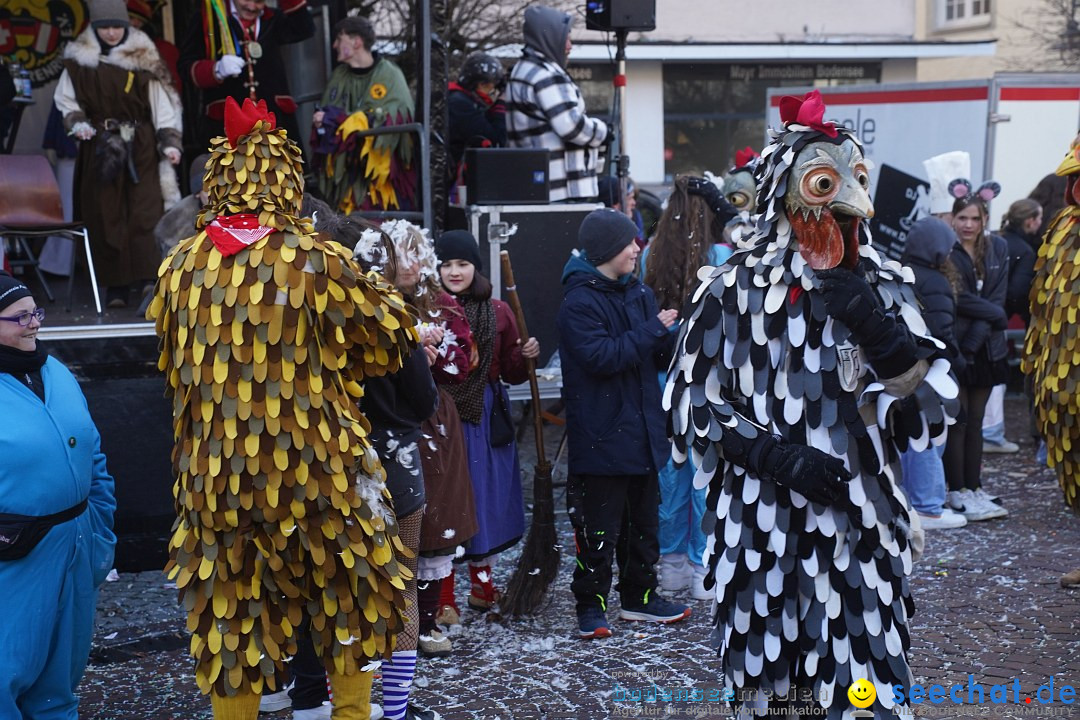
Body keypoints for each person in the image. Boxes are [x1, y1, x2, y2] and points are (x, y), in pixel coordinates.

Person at [667, 90, 958, 717]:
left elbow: (928, 413)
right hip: (759, 528)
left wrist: (878, 330)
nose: (851, 201)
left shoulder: (884, 286)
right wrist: (772, 455)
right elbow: (691, 403)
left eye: (855, 179)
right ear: (784, 193)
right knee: (775, 682)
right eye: (827, 182)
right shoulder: (732, 291)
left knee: (863, 679)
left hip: (859, 528)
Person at [147, 97, 418, 720]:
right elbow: (390, 340)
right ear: (288, 182)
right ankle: (351, 713)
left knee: (232, 618)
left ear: (218, 180)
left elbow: (170, 367)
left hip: (217, 482)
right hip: (315, 474)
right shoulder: (317, 259)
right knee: (352, 594)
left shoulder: (180, 268)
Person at [558, 208, 691, 639]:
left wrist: (681, 337)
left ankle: (640, 598)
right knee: (598, 531)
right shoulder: (578, 302)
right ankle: (590, 607)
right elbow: (603, 357)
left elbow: (654, 354)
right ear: (606, 250)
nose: (638, 248)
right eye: (630, 242)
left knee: (643, 527)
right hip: (600, 440)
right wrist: (653, 331)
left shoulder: (639, 293)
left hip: (643, 435)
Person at [0, 271, 117, 718]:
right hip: (13, 557)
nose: (34, 324)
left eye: (36, 313)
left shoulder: (56, 371)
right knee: (5, 670)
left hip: (74, 543)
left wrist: (100, 530)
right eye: (19, 317)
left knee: (60, 681)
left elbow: (94, 454)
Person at [362, 222, 478, 657]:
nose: (411, 264)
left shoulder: (440, 304)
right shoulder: (374, 306)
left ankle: (426, 619)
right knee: (400, 532)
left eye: (416, 253)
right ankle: (396, 628)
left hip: (433, 424)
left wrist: (435, 356)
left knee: (436, 523)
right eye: (402, 254)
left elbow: (460, 366)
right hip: (394, 425)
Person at [434, 230, 538, 612]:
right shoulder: (429, 309)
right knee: (446, 501)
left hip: (487, 415)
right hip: (442, 415)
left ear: (475, 266)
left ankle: (482, 585)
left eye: (462, 263)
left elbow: (512, 373)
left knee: (486, 499)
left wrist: (526, 355)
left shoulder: (498, 310)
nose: (454, 271)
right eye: (446, 264)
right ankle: (443, 597)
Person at [54, 0, 182, 309]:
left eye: (117, 27)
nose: (111, 33)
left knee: (145, 211)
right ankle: (115, 286)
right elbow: (67, 102)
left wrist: (170, 142)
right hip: (101, 147)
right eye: (104, 27)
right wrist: (79, 124)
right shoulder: (79, 63)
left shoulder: (144, 60)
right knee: (105, 214)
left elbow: (162, 106)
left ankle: (148, 281)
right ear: (95, 29)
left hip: (141, 146)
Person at [640, 175, 732, 600]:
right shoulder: (720, 256)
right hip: (705, 381)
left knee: (670, 475)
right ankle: (702, 567)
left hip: (662, 379)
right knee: (703, 475)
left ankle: (671, 565)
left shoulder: (649, 257)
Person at [943, 180, 1011, 522]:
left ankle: (974, 486)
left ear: (985, 220)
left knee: (976, 422)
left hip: (985, 349)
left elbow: (997, 303)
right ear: (953, 219)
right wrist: (989, 315)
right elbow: (954, 300)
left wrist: (984, 325)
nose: (969, 224)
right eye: (963, 218)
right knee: (958, 420)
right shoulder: (946, 250)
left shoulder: (997, 249)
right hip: (956, 348)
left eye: (975, 218)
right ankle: (955, 490)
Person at [899, 217, 968, 530]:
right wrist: (958, 363)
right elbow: (942, 333)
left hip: (902, 368)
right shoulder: (936, 281)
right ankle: (928, 506)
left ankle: (908, 502)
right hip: (931, 370)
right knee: (929, 437)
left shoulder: (899, 273)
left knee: (908, 436)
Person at [312, 15, 416, 213]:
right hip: (346, 180)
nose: (334, 45)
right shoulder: (339, 75)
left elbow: (393, 117)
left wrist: (342, 120)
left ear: (357, 42)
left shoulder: (390, 74)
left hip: (380, 180)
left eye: (339, 39)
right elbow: (326, 113)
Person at [179, 0, 313, 150]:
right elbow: (185, 67)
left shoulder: (273, 18)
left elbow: (304, 29)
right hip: (226, 126)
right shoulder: (206, 19)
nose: (251, 6)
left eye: (258, 1)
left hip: (273, 122)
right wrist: (216, 70)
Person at [507, 5, 608, 203]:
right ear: (550, 37)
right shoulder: (545, 74)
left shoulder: (523, 69)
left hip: (537, 186)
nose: (569, 46)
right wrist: (604, 130)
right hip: (562, 190)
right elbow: (572, 127)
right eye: (565, 38)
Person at [981, 198, 1041, 456]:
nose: (1040, 224)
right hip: (996, 317)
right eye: (1038, 219)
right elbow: (1017, 292)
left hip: (977, 311)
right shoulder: (1026, 251)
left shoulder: (995, 238)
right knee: (995, 377)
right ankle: (992, 435)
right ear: (1029, 221)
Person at [447, 51, 507, 182]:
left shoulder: (457, 98)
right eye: (491, 86)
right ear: (480, 84)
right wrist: (500, 105)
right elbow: (496, 141)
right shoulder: (460, 105)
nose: (492, 92)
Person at [127, 0, 181, 90]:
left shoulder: (165, 50)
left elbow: (172, 92)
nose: (134, 23)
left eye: (139, 20)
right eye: (130, 18)